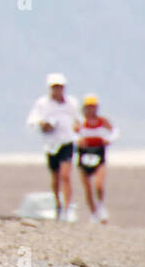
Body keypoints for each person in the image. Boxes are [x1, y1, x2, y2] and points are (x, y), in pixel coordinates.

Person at [24, 72, 81, 221]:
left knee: (66, 176)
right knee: (56, 178)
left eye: (60, 87)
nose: (58, 90)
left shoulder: (71, 103)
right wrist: (43, 124)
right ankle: (58, 204)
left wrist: (77, 127)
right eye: (55, 87)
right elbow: (32, 120)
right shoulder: (43, 104)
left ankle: (68, 209)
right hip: (51, 145)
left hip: (67, 142)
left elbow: (78, 120)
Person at [75, 94, 117, 224]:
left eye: (93, 107)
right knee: (87, 187)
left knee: (99, 185)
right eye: (89, 107)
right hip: (84, 155)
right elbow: (71, 134)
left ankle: (101, 207)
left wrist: (109, 139)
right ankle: (93, 213)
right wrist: (78, 140)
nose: (91, 109)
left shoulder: (102, 121)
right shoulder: (80, 122)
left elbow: (115, 131)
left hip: (99, 154)